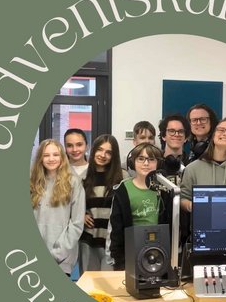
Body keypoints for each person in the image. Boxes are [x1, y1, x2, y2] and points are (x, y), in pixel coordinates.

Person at [106, 143, 172, 271]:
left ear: (158, 163)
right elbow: (115, 229)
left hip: (159, 254)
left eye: (151, 159)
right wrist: (118, 262)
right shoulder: (123, 190)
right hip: (129, 255)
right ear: (133, 162)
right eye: (141, 159)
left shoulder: (165, 189)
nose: (146, 163)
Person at [30, 139, 85, 276]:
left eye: (55, 154)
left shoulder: (73, 182)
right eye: (46, 155)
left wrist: (57, 254)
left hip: (61, 259)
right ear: (40, 158)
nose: (51, 159)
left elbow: (77, 223)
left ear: (62, 157)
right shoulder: (32, 182)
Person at [180, 117, 226, 213]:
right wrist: (194, 206)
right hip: (203, 221)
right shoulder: (192, 168)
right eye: (221, 130)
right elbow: (183, 198)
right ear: (213, 136)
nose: (225, 133)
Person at [79, 135, 128, 272]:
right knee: (89, 282)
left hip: (113, 242)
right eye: (99, 150)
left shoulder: (123, 177)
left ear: (114, 155)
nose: (103, 155)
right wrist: (81, 215)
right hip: (89, 240)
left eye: (108, 152)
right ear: (93, 150)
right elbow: (73, 206)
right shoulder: (82, 177)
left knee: (110, 282)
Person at [158, 113, 189, 177]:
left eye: (181, 131)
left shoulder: (192, 164)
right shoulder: (155, 163)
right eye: (171, 131)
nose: (176, 134)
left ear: (186, 138)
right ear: (163, 136)